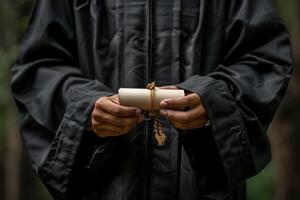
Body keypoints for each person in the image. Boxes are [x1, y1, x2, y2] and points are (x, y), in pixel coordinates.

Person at [10, 0, 292, 199]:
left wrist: (214, 102)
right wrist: (85, 110)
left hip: (198, 189)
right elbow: (38, 66)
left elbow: (264, 59)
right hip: (104, 185)